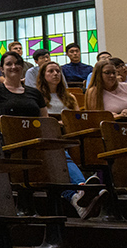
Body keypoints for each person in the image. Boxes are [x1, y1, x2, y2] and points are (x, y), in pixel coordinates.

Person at [36, 60, 105, 218]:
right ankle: (83, 187)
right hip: (50, 137)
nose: (55, 74)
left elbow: (77, 119)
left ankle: (79, 195)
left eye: (58, 71)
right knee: (59, 153)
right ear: (43, 75)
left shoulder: (69, 97)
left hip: (69, 135)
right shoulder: (38, 96)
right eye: (51, 71)